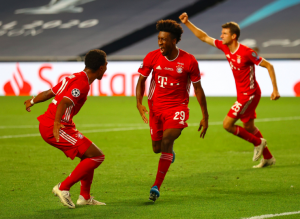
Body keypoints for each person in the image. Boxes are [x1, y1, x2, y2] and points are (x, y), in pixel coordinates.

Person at [179, 12, 280, 168]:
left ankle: (258, 142)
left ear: (233, 36)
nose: (221, 36)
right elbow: (204, 37)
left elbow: (269, 65)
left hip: (249, 95)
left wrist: (275, 90)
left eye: (224, 33)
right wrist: (187, 22)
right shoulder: (225, 47)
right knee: (249, 127)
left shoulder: (246, 52)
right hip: (243, 93)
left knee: (227, 125)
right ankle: (268, 158)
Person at [136, 19, 209, 202]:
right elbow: (141, 81)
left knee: (168, 140)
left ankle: (156, 187)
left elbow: (198, 89)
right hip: (155, 108)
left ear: (174, 41)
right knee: (157, 148)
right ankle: (169, 153)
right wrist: (139, 102)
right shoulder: (152, 57)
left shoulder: (189, 61)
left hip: (177, 108)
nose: (160, 42)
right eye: (159, 39)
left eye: (164, 39)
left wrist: (205, 116)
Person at [24, 49, 108, 208]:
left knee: (89, 156)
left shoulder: (73, 77)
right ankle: (63, 187)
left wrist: (33, 101)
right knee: (97, 157)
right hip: (55, 126)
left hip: (57, 124)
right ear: (101, 68)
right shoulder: (82, 84)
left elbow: (50, 93)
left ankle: (85, 197)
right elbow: (63, 102)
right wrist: (57, 122)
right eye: (106, 64)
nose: (107, 67)